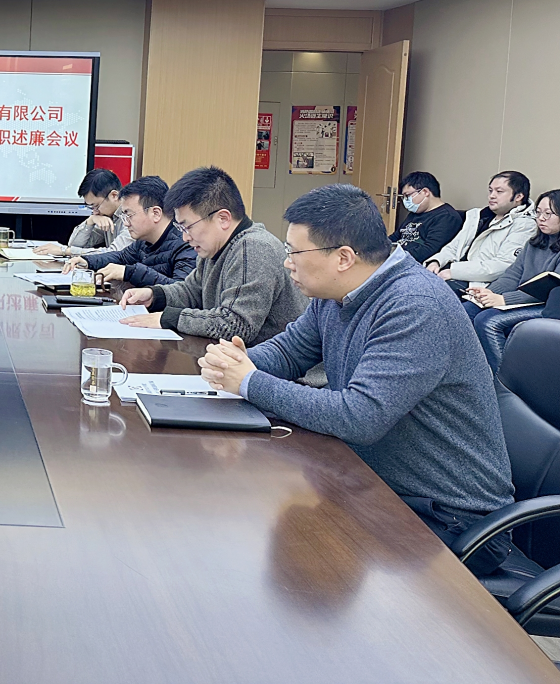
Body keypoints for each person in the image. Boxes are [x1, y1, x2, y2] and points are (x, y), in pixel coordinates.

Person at [198, 184, 514, 573]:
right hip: (375, 483)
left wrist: (248, 381)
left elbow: (360, 417)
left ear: (344, 258)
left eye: (294, 252)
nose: (287, 263)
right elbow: (289, 352)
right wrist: (233, 362)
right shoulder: (335, 294)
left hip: (448, 516)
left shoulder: (415, 306)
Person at [117, 166, 306, 343]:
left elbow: (235, 325)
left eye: (188, 227)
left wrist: (170, 318)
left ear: (222, 218)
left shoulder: (254, 248)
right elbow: (192, 291)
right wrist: (155, 295)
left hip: (274, 364)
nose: (185, 237)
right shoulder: (214, 248)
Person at [462, 189, 560, 370]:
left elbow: (549, 290)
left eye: (548, 213)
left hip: (547, 306)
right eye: (538, 212)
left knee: (488, 321)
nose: (541, 218)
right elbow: (513, 275)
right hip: (525, 300)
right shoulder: (534, 243)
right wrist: (489, 292)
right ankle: (474, 371)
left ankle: (504, 379)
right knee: (468, 309)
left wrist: (504, 300)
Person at [61, 176, 196, 288]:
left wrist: (129, 272)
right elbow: (120, 257)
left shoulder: (186, 244)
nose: (125, 223)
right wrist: (87, 261)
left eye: (129, 215)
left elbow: (181, 292)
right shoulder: (143, 242)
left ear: (155, 213)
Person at [425, 170, 537, 290]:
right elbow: (454, 247)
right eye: (490, 190)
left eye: (499, 191)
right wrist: (437, 261)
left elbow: (503, 265)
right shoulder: (477, 216)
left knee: (428, 290)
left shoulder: (525, 224)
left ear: (518, 196)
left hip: (479, 284)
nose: (492, 196)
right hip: (453, 273)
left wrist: (453, 271)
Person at [34, 168, 131, 257]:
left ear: (114, 195)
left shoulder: (130, 216)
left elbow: (114, 253)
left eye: (96, 206)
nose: (95, 212)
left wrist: (64, 251)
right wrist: (90, 221)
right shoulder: (106, 216)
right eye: (91, 207)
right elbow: (75, 245)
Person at [390, 171, 463, 262]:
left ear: (425, 192)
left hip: (412, 263)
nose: (405, 200)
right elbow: (395, 237)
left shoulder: (447, 217)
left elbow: (429, 251)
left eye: (407, 196)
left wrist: (393, 258)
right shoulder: (415, 213)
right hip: (396, 258)